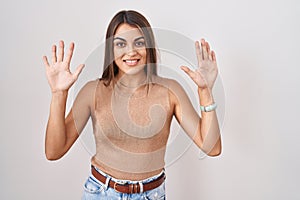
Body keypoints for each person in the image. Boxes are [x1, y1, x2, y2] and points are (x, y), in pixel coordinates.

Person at [43, 10, 222, 200]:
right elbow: (54, 151)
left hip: (151, 194)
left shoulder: (170, 91)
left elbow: (212, 148)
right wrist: (58, 94)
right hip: (101, 194)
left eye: (139, 42)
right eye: (121, 44)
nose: (131, 52)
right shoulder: (92, 91)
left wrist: (205, 91)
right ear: (111, 50)